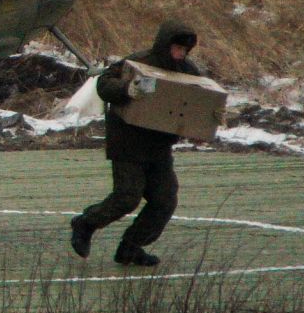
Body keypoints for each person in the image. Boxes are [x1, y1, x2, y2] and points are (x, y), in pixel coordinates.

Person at [69, 19, 204, 267]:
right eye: (176, 48)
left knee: (164, 200)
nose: (179, 54)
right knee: (127, 197)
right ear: (164, 45)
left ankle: (131, 248)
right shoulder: (138, 62)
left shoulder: (188, 72)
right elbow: (103, 84)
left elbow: (198, 101)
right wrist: (127, 89)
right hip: (128, 141)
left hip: (159, 146)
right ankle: (86, 223)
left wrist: (202, 123)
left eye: (184, 51)